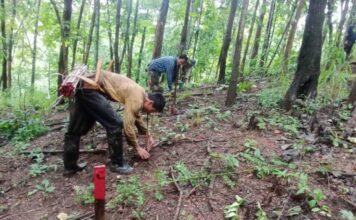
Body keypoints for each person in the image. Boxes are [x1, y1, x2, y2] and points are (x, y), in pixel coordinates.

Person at [63, 71, 166, 176]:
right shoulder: (138, 98)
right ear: (150, 103)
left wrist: (147, 134)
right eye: (152, 110)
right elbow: (128, 125)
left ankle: (70, 167)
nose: (149, 112)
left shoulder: (141, 93)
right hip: (91, 89)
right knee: (115, 124)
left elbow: (136, 116)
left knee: (74, 130)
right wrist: (137, 147)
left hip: (83, 88)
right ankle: (117, 164)